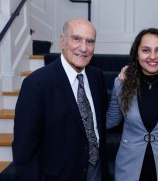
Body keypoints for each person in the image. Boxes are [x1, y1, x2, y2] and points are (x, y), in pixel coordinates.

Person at [12, 18, 108, 181]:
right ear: (62, 42)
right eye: (76, 39)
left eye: (90, 41)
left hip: (96, 172)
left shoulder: (97, 77)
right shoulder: (36, 85)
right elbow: (24, 154)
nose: (84, 48)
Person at [106, 28, 158, 181]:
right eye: (145, 50)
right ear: (137, 54)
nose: (152, 56)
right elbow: (111, 120)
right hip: (129, 167)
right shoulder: (121, 83)